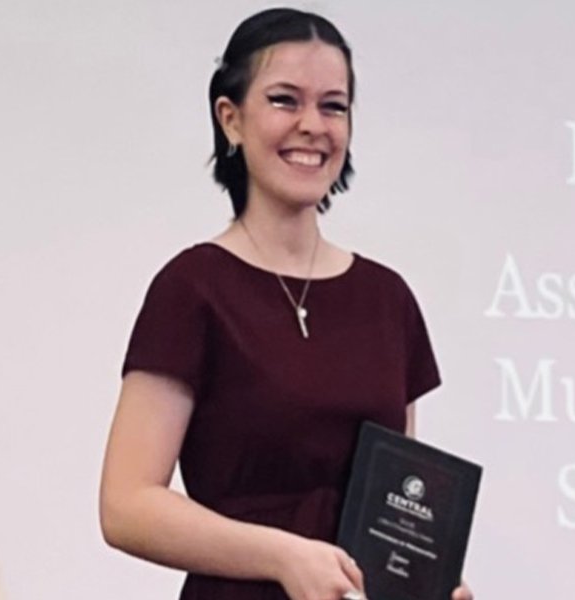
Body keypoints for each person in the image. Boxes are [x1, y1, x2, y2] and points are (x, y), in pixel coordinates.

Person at [99, 8, 473, 600]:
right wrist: (282, 557)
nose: (312, 125)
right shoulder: (192, 287)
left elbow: (400, 507)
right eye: (283, 100)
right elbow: (126, 505)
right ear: (231, 119)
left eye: (333, 106)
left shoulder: (387, 299)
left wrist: (423, 584)